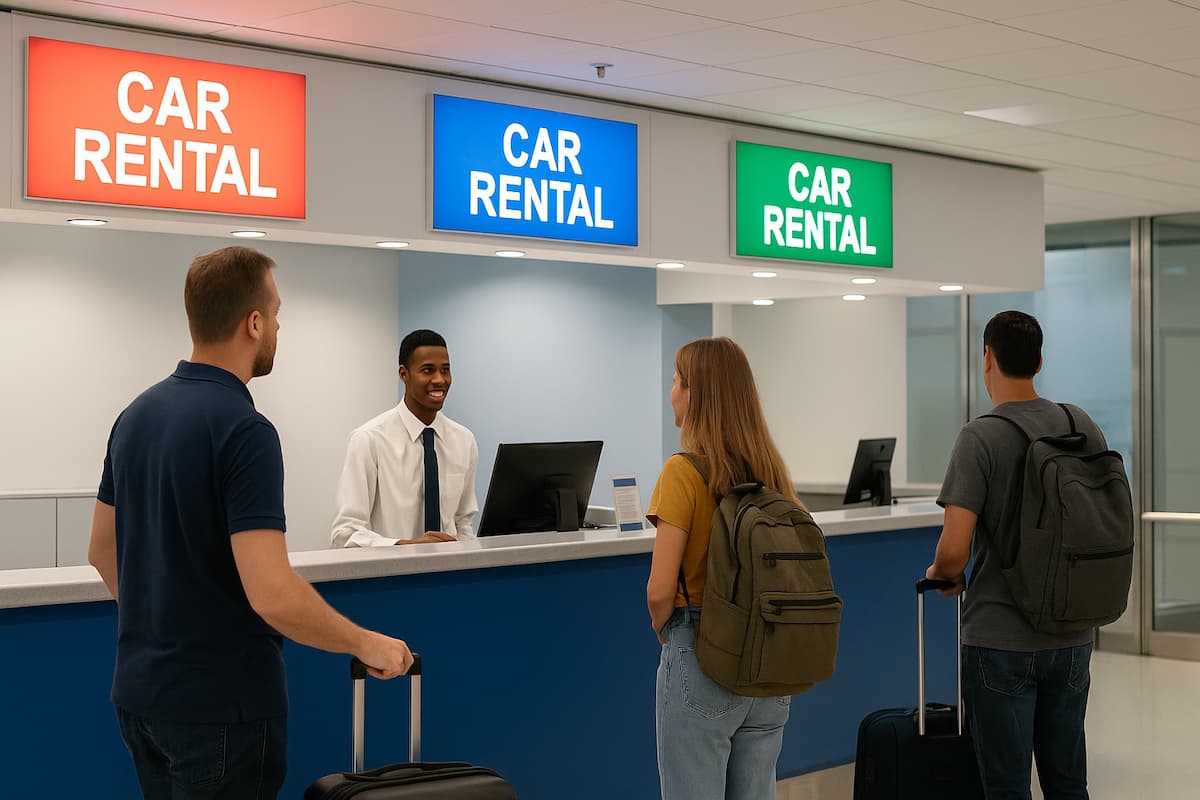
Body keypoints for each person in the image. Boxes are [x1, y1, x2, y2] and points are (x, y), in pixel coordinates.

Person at [87, 246, 414, 800]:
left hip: (141, 699)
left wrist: (166, 626)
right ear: (253, 322)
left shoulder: (134, 416)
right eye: (278, 314)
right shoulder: (245, 430)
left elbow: (101, 549)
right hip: (223, 712)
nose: (279, 326)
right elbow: (272, 593)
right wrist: (365, 644)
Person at [926, 310, 1107, 800]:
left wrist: (943, 574)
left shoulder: (979, 436)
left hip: (1000, 640)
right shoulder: (1079, 424)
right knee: (1069, 781)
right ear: (1039, 361)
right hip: (1073, 632)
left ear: (987, 357)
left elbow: (955, 548)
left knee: (1005, 786)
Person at [645, 337, 797, 800]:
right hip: (769, 663)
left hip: (701, 651)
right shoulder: (772, 471)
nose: (671, 391)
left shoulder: (683, 471)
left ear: (696, 394)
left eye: (676, 381)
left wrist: (666, 631)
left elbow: (659, 590)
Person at [331, 329, 479, 547]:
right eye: (428, 370)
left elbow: (463, 525)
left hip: (452, 574)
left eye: (445, 370)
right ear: (404, 374)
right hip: (392, 577)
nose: (439, 380)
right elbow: (345, 533)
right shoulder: (369, 439)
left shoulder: (464, 440)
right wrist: (405, 547)